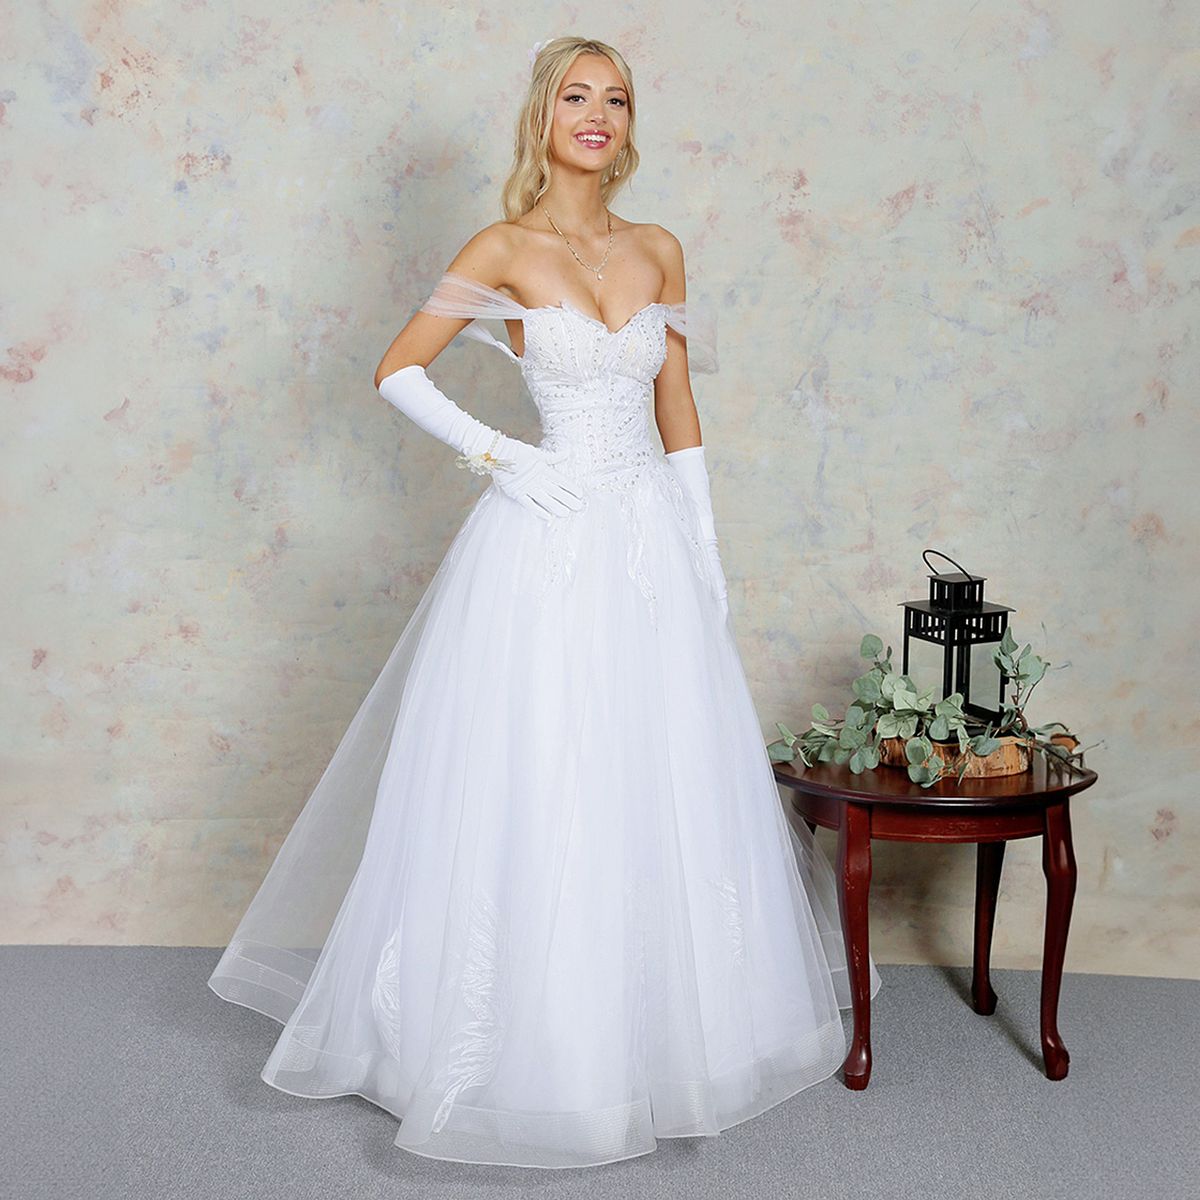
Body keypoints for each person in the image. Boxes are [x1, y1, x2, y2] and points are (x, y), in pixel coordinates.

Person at [208, 35, 881, 1169]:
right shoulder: (504, 247)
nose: (597, 114)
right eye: (577, 96)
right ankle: (535, 1049)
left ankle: (662, 1036)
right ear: (544, 116)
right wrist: (504, 457)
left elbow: (677, 404)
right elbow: (396, 368)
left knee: (656, 765)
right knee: (544, 761)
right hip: (546, 533)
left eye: (615, 99)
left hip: (648, 538)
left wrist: (706, 546)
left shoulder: (658, 248)